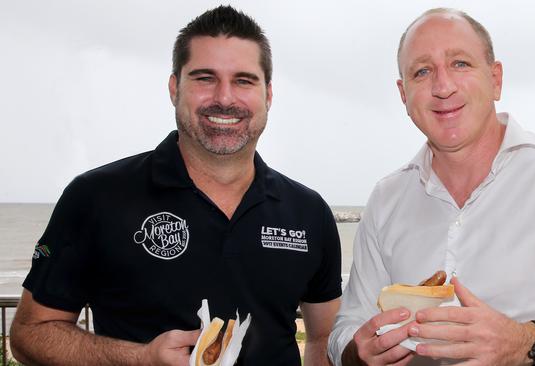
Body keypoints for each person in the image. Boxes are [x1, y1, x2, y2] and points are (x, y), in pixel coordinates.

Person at [10, 5, 341, 366]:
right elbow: (30, 334)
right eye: (204, 78)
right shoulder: (96, 196)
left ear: (268, 94)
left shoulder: (309, 212)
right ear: (174, 88)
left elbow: (323, 337)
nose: (225, 98)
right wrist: (140, 359)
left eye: (244, 80)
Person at [328, 7, 535, 366]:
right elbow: (348, 326)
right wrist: (360, 352)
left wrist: (530, 340)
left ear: (495, 79)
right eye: (422, 71)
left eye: (460, 64)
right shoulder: (386, 199)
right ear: (404, 94)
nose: (443, 86)